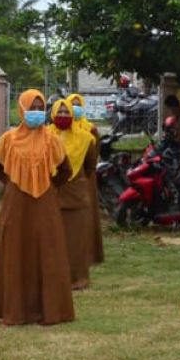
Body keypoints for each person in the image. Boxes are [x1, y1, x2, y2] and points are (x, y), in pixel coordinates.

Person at [0, 89, 75, 326]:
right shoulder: (8, 139)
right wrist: (14, 185)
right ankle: (16, 310)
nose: (36, 112)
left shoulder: (52, 140)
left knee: (47, 252)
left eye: (40, 108)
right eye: (32, 108)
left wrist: (49, 186)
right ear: (22, 110)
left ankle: (49, 310)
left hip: (45, 204)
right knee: (16, 250)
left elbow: (65, 170)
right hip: (15, 205)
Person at [52, 99, 101, 291]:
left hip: (75, 195)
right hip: (52, 194)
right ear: (53, 113)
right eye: (60, 111)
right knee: (54, 239)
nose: (63, 115)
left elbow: (90, 166)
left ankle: (77, 278)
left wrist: (76, 180)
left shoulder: (86, 138)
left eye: (67, 112)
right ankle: (54, 277)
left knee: (75, 240)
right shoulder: (47, 136)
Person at [67, 93, 105, 269]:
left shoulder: (90, 129)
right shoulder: (58, 130)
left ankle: (90, 252)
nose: (75, 108)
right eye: (72, 104)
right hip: (65, 179)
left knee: (87, 213)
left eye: (78, 104)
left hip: (85, 176)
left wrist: (87, 169)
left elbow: (96, 151)